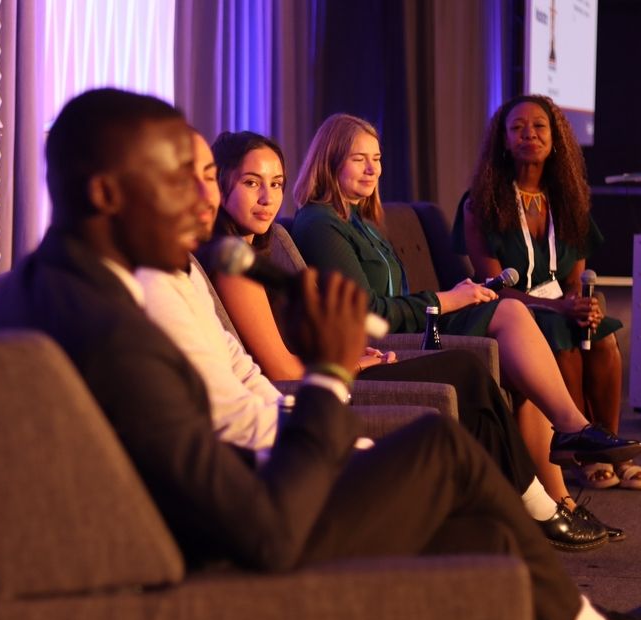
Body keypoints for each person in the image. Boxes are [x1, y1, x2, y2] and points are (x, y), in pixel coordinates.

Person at [0, 87, 640, 620]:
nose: (201, 202)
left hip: (227, 510)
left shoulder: (62, 285)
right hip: (223, 560)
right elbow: (261, 529)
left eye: (208, 177)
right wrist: (325, 376)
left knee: (483, 535)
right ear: (105, 193)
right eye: (176, 181)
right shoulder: (112, 328)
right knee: (439, 450)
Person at [145, 129, 608, 550]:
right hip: (316, 391)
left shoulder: (255, 250)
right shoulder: (231, 266)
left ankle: (534, 504)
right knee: (466, 370)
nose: (268, 198)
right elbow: (279, 371)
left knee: (468, 369)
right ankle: (537, 507)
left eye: (276, 182)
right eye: (250, 183)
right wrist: (345, 363)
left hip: (331, 373)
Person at [288, 113, 639, 512]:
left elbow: (393, 295)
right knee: (510, 314)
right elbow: (367, 312)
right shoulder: (319, 222)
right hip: (379, 343)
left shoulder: (359, 219)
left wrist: (455, 295)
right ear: (330, 160)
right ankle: (572, 433)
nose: (373, 169)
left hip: (412, 322)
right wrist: (444, 300)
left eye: (378, 158)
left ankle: (562, 499)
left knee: (521, 350)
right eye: (358, 158)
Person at [456, 94, 629, 490]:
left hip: (561, 304)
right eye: (516, 128)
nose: (528, 134)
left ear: (556, 139)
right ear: (502, 140)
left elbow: (577, 279)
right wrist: (557, 307)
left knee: (603, 337)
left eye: (538, 126)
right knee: (559, 336)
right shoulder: (479, 203)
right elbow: (492, 286)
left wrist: (585, 306)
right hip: (513, 308)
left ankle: (607, 447)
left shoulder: (570, 200)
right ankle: (578, 452)